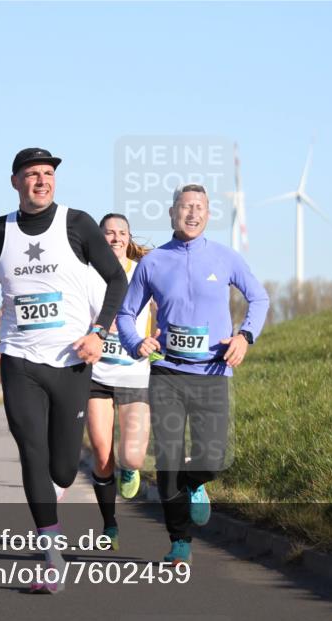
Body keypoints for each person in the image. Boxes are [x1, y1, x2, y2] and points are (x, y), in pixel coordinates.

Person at [0, 148, 127, 592]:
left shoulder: (77, 224)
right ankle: (52, 558)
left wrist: (98, 331)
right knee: (31, 450)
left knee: (60, 466)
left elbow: (118, 280)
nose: (42, 181)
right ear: (15, 181)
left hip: (71, 361)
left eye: (48, 174)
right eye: (33, 174)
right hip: (19, 358)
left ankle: (55, 494)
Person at [116, 183, 269, 567]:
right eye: (185, 207)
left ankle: (194, 482)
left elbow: (260, 298)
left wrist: (245, 336)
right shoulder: (153, 263)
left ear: (208, 214)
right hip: (167, 373)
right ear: (172, 213)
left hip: (213, 372)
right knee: (167, 459)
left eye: (199, 207)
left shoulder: (225, 257)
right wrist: (137, 343)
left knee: (213, 458)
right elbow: (124, 313)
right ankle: (179, 541)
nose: (192, 213)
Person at [86, 214, 155, 551]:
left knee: (134, 457)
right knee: (101, 454)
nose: (114, 238)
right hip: (96, 376)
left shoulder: (142, 271)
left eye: (121, 233)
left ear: (129, 238)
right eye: (108, 233)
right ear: (99, 238)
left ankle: (129, 469)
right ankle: (109, 524)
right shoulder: (85, 272)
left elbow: (166, 307)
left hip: (133, 373)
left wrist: (162, 336)